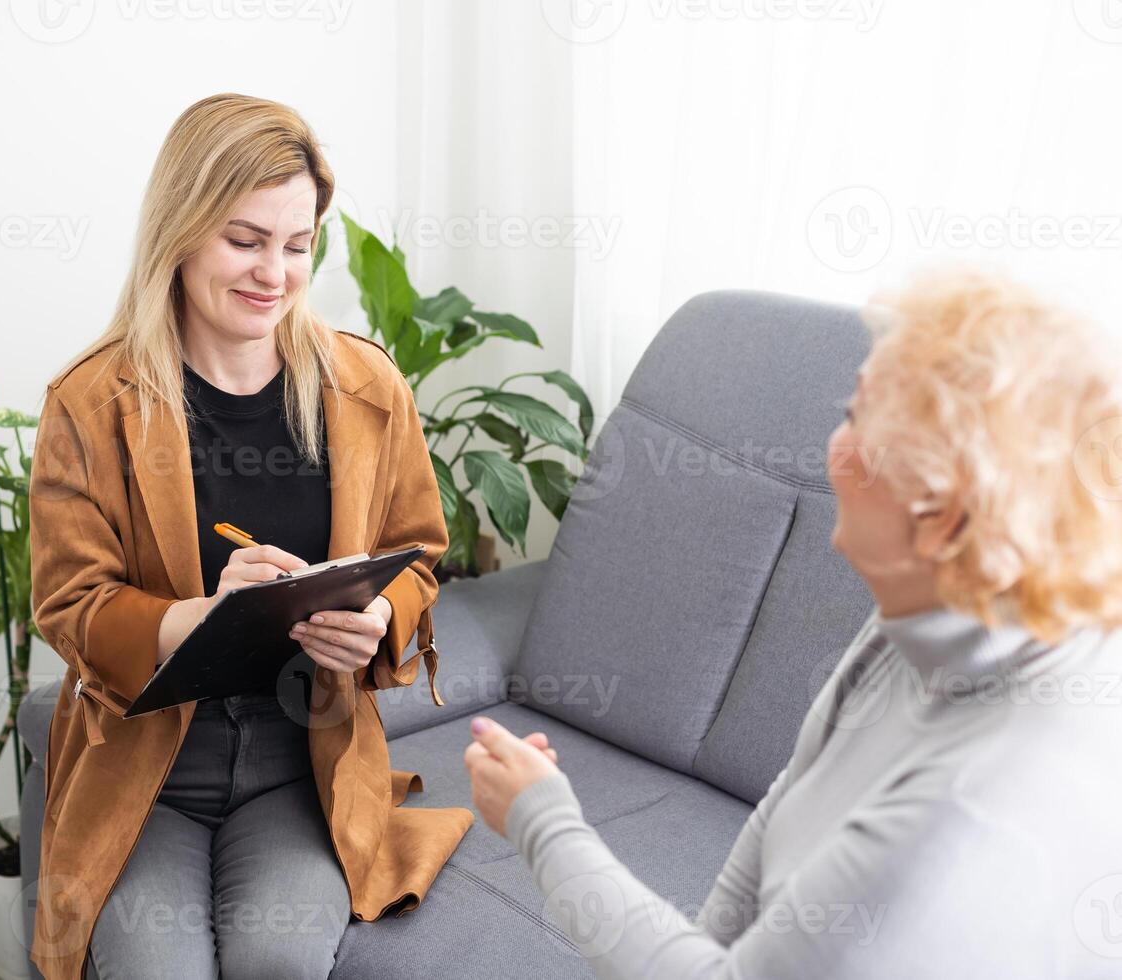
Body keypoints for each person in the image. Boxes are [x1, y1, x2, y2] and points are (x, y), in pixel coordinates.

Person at [463, 267, 1122, 977]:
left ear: (937, 514)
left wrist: (542, 820)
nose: (829, 449)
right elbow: (790, 801)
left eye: (854, 417)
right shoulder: (936, 610)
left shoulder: (959, 822)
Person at [28, 93, 469, 980]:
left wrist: (378, 616)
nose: (275, 271)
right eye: (245, 240)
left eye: (297, 245)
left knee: (279, 962)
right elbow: (70, 603)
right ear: (181, 231)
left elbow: (418, 549)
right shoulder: (91, 404)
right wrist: (200, 616)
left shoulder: (368, 389)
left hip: (302, 757)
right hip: (149, 767)